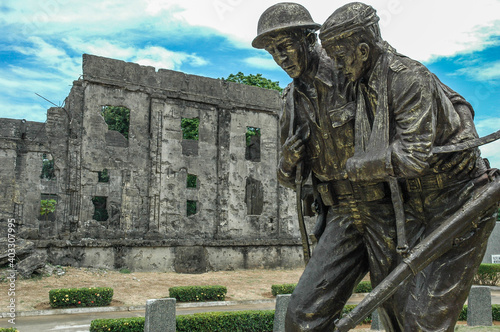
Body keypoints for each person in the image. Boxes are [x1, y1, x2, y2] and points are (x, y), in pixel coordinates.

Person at [318, 3, 498, 331]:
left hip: (458, 202)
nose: (338, 67)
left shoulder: (406, 76)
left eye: (340, 57)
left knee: (424, 323)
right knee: (398, 315)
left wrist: (358, 167)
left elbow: (412, 157)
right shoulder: (365, 80)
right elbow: (456, 100)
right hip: (413, 209)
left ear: (362, 49)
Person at [253, 3, 404, 331]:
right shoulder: (289, 102)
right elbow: (286, 178)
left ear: (308, 38)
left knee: (400, 315)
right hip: (340, 215)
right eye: (272, 52)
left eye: (285, 46)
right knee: (302, 317)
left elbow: (406, 96)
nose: (280, 58)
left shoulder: (350, 70)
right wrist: (286, 163)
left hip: (383, 208)